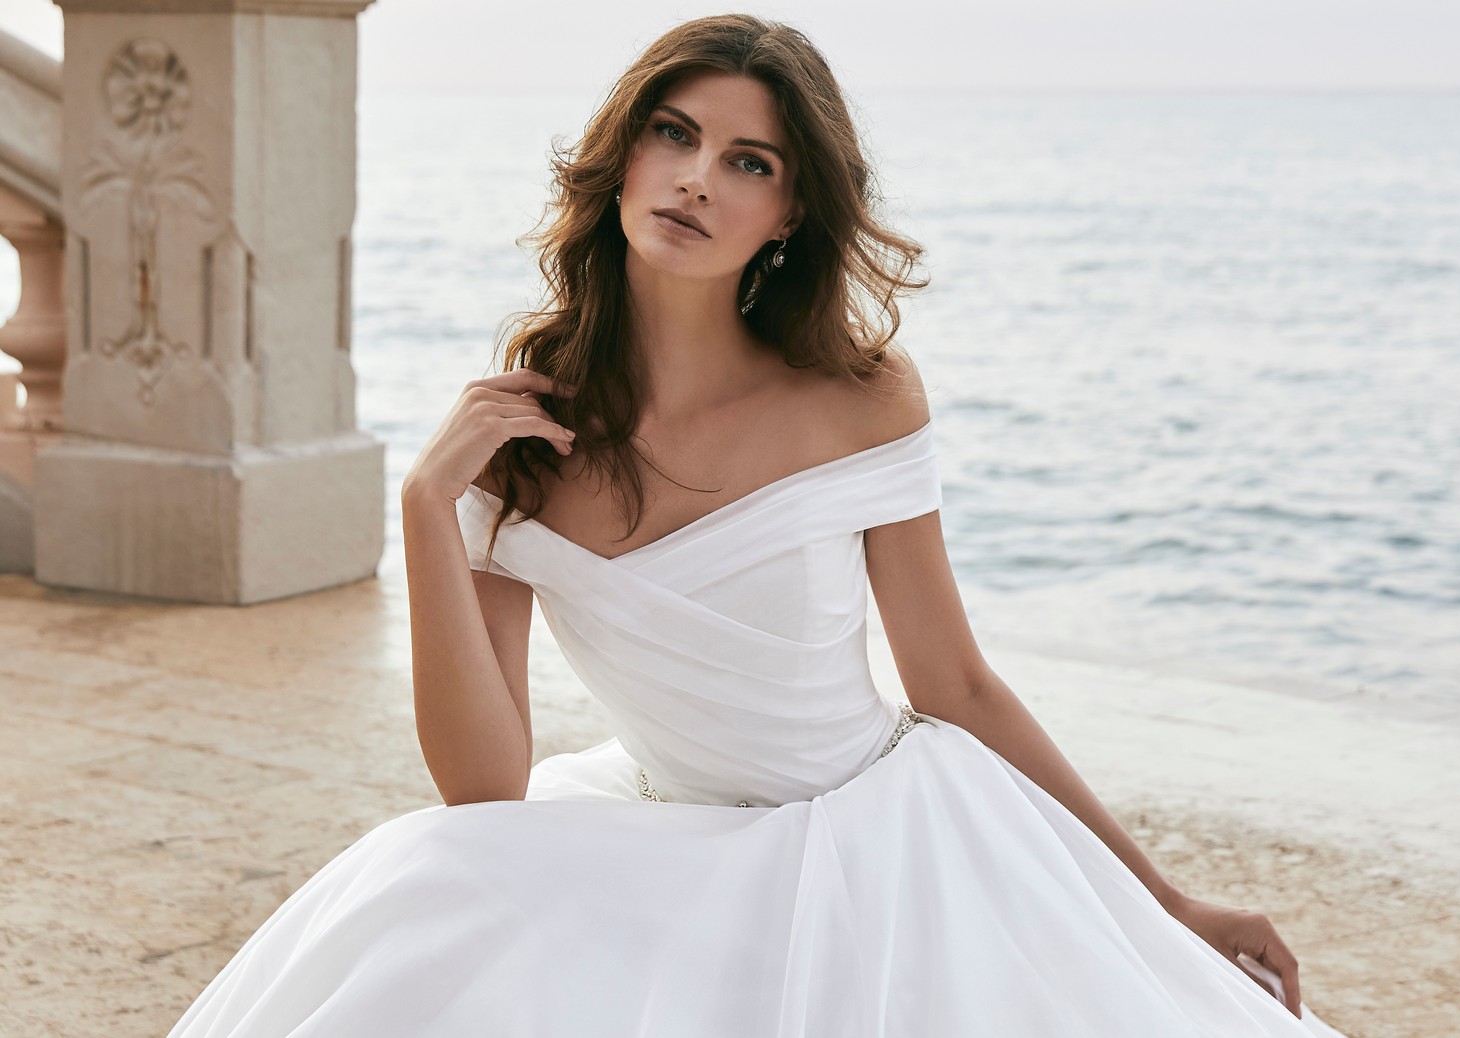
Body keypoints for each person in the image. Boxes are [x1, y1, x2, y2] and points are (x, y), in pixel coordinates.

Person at [165, 14, 1350, 1037]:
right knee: (417, 905)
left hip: (886, 837)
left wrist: (1162, 901)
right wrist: (427, 508)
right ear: (621, 157)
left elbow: (957, 683)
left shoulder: (858, 397)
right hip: (660, 836)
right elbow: (483, 792)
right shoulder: (525, 429)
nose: (695, 179)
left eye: (747, 162)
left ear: (788, 212)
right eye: (674, 134)